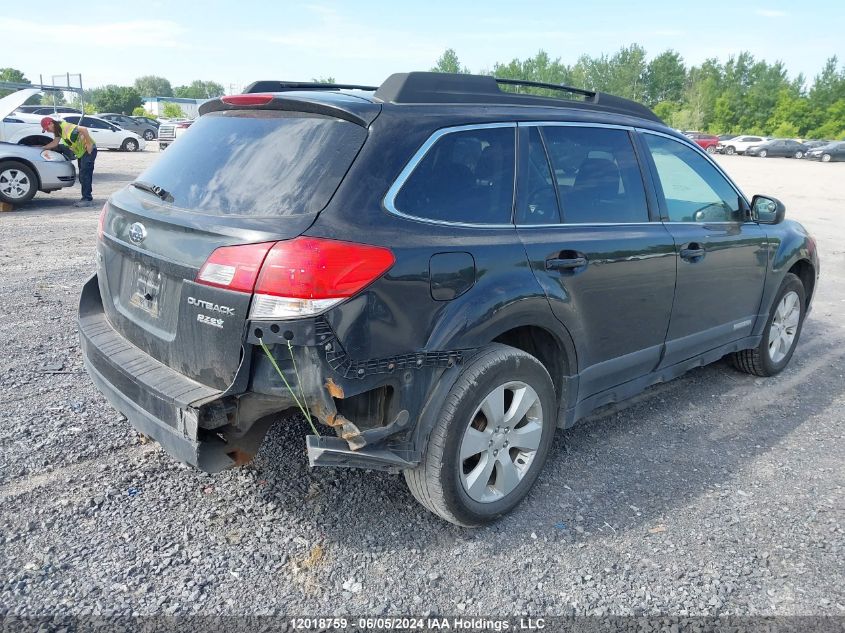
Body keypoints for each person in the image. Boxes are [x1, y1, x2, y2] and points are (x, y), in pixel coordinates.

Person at [41, 116, 97, 207]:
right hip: (81, 152)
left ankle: (87, 199)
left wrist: (89, 143)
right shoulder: (59, 131)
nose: (47, 131)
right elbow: (55, 143)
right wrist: (41, 148)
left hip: (88, 150)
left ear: (51, 123)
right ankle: (86, 197)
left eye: (47, 128)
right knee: (83, 176)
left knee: (85, 175)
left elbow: (83, 129)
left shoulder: (66, 127)